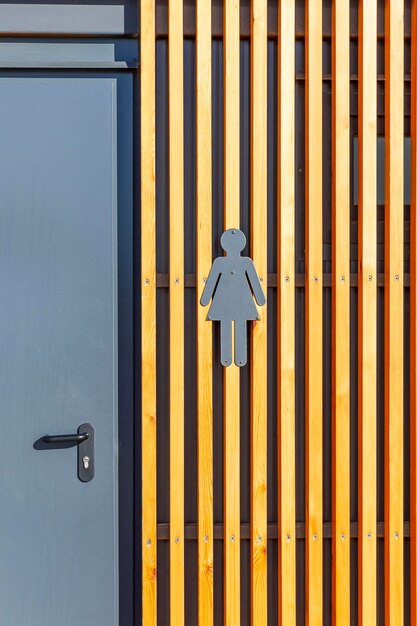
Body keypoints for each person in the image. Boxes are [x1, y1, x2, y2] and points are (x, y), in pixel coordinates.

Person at [200, 228, 266, 366]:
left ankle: (228, 357)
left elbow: (211, 281)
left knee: (228, 323)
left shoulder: (221, 262)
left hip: (224, 299)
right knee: (239, 323)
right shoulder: (244, 262)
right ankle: (237, 357)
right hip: (241, 299)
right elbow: (254, 282)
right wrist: (260, 299)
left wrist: (205, 300)